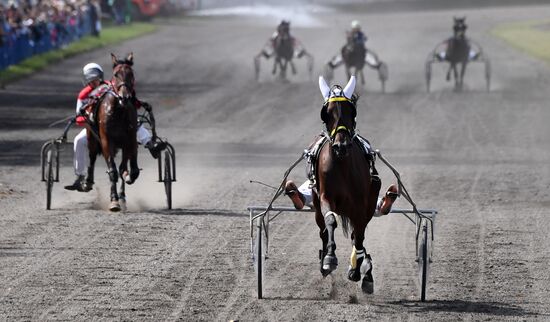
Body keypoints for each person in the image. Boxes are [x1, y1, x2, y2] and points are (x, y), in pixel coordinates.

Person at [64, 62, 164, 192]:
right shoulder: (83, 95)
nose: (94, 82)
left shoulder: (112, 86)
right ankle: (80, 176)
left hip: (118, 123)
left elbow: (130, 100)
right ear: (86, 81)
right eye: (91, 80)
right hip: (94, 127)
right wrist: (90, 121)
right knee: (78, 140)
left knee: (136, 126)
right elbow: (79, 117)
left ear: (101, 76)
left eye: (96, 79)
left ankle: (150, 145)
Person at [284, 180, 398, 217]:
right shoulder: (356, 141)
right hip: (349, 185)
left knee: (314, 182)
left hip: (322, 185)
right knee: (363, 200)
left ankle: (299, 197)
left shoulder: (322, 141)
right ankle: (381, 205)